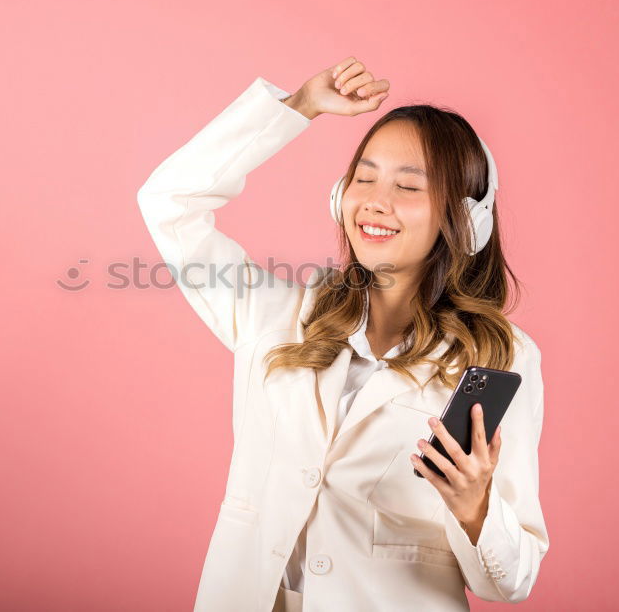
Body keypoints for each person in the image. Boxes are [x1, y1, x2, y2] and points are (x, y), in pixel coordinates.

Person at [136, 57, 549, 611]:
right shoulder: (276, 317)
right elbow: (169, 203)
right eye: (364, 177)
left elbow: (510, 582)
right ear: (339, 194)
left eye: (408, 186)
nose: (375, 201)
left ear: (464, 222)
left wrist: (475, 507)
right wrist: (298, 107)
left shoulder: (498, 359)